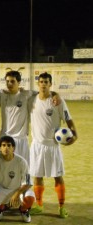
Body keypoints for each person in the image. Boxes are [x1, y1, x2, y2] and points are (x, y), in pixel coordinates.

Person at [28, 72, 78, 218]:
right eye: (41, 82)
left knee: (58, 176)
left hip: (53, 146)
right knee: (37, 176)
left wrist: (75, 135)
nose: (43, 84)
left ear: (50, 84)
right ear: (38, 84)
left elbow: (68, 119)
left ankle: (61, 207)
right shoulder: (31, 100)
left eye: (46, 82)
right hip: (37, 145)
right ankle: (39, 205)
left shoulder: (57, 101)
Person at [0, 135, 35, 223]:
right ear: (0, 148)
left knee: (30, 197)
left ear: (13, 148)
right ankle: (0, 209)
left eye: (9, 145)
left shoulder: (22, 162)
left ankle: (24, 210)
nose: (6, 148)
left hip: (18, 190)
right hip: (1, 190)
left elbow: (27, 183)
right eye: (3, 145)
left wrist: (17, 194)